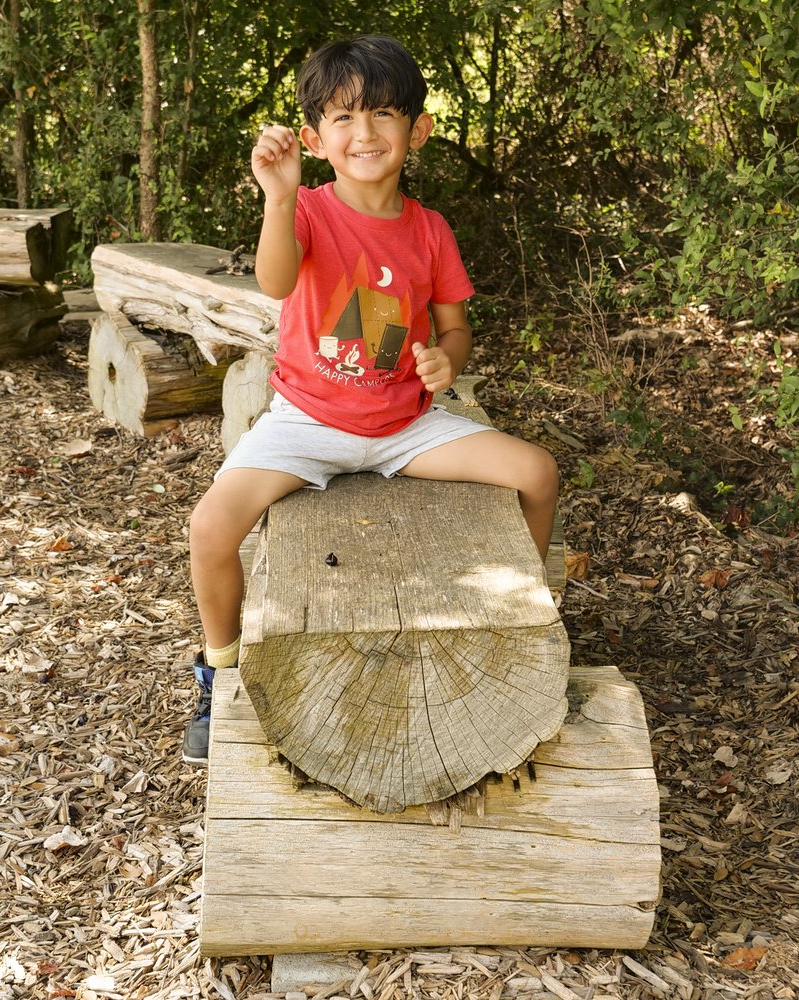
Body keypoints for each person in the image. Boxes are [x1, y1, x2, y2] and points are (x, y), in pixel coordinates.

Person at [182, 34, 559, 764]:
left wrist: (444, 363)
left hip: (405, 425)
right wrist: (280, 196)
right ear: (318, 138)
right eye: (345, 120)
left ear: (416, 130)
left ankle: (524, 620)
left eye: (383, 115)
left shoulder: (430, 230)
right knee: (208, 530)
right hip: (305, 423)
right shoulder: (311, 213)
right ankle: (217, 669)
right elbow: (276, 281)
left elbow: (455, 327)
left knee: (538, 472)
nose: (365, 134)